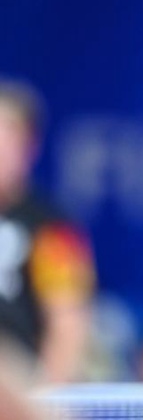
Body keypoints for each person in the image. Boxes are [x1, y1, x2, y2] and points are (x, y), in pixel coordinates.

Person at [0, 78, 95, 385]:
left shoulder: (52, 229)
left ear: (30, 147)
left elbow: (67, 324)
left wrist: (43, 402)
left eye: (6, 136)